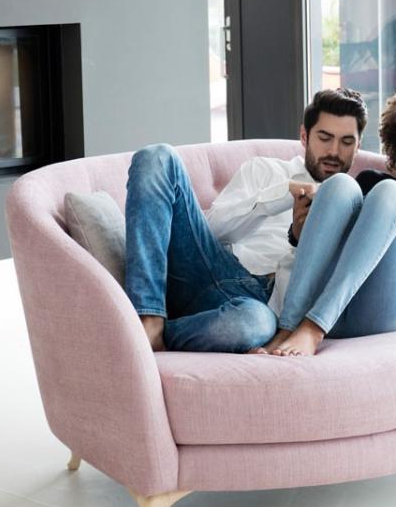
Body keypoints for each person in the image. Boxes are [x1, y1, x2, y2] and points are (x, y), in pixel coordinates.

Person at [125, 88, 367, 352]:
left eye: (346, 142)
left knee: (253, 325)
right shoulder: (264, 170)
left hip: (259, 304)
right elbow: (215, 230)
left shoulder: (356, 209)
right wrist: (282, 194)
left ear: (358, 146)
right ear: (304, 136)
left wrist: (299, 238)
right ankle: (148, 317)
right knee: (158, 156)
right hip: (212, 264)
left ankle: (155, 336)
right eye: (325, 138)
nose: (334, 151)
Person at [257, 90, 396, 356]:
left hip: (388, 314)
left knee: (390, 192)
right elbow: (332, 239)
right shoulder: (369, 181)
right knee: (341, 183)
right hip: (337, 309)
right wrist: (297, 232)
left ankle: (313, 327)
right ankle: (289, 325)